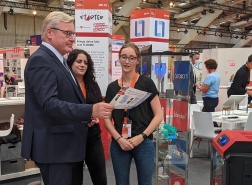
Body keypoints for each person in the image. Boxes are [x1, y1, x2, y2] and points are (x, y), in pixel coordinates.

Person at [21, 11, 113, 185]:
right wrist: (90, 109)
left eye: (73, 34)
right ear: (50, 33)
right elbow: (49, 104)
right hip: (55, 149)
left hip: (64, 147)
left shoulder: (58, 61)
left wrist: (85, 118)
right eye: (67, 33)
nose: (72, 38)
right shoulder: (41, 60)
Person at [104, 43, 162, 185]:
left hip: (143, 142)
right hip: (119, 144)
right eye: (124, 57)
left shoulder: (146, 83)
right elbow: (106, 119)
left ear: (137, 60)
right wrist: (119, 139)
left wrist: (142, 137)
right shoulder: (112, 87)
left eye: (131, 58)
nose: (127, 61)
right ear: (119, 59)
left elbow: (158, 115)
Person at [67, 49, 107, 185]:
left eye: (85, 62)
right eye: (79, 61)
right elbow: (64, 110)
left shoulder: (92, 85)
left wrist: (96, 117)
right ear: (71, 63)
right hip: (72, 138)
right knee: (75, 180)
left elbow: (98, 106)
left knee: (101, 179)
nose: (82, 65)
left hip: (93, 137)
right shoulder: (65, 86)